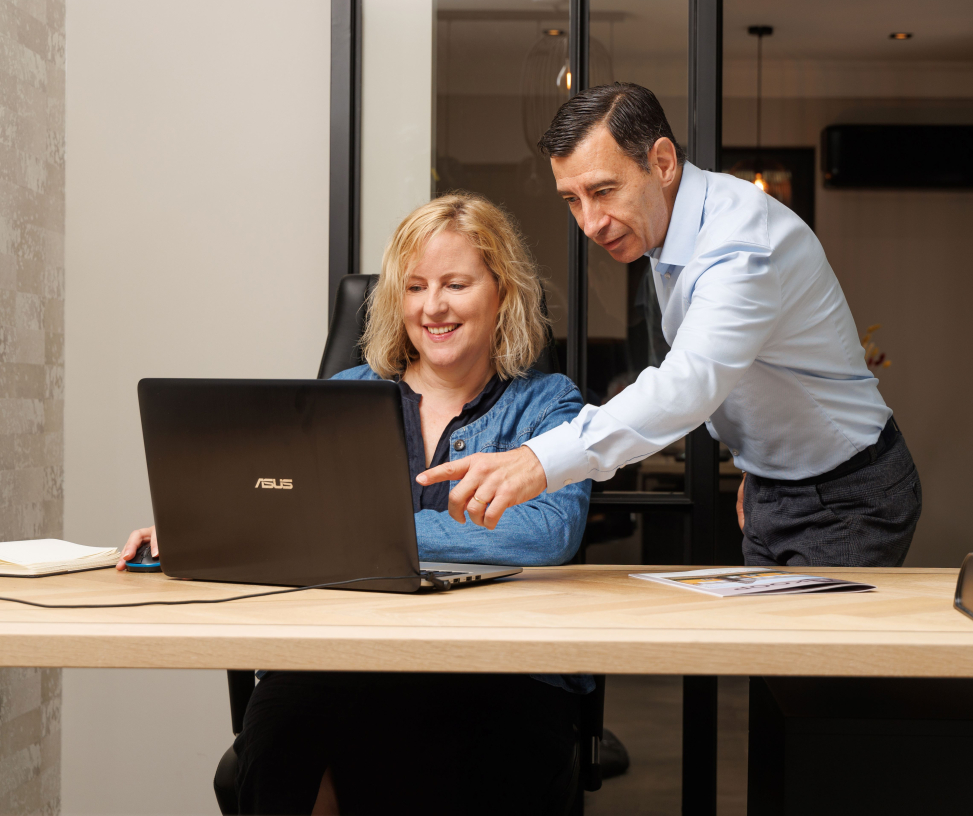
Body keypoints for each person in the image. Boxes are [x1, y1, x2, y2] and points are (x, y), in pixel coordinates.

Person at [118, 192, 594, 815]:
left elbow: (549, 530)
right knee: (274, 744)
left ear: (502, 293)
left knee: (477, 761)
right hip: (342, 653)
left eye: (456, 284)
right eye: (416, 286)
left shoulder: (548, 402)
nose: (434, 306)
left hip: (498, 666)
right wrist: (203, 526)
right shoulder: (343, 396)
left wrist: (366, 531)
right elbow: (284, 503)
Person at [423, 83, 922, 568]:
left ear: (661, 162)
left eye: (603, 190)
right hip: (774, 485)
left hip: (845, 493)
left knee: (809, 654)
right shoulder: (669, 231)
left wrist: (538, 461)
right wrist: (762, 469)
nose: (590, 223)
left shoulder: (740, 244)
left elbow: (687, 385)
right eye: (572, 200)